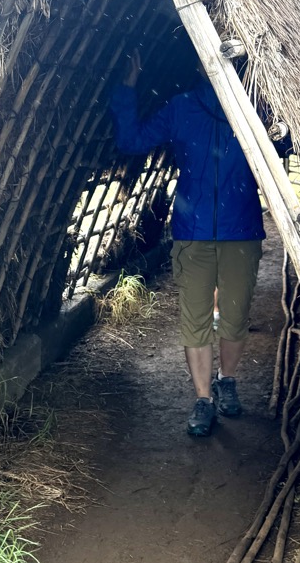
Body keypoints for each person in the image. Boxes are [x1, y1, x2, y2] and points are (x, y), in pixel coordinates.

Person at [110, 51, 268, 437]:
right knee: (194, 320)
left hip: (241, 229)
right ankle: (203, 399)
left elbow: (283, 148)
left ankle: (226, 380)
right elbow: (131, 140)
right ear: (197, 63)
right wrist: (127, 88)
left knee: (234, 317)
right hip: (192, 231)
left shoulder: (252, 108)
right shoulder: (181, 107)